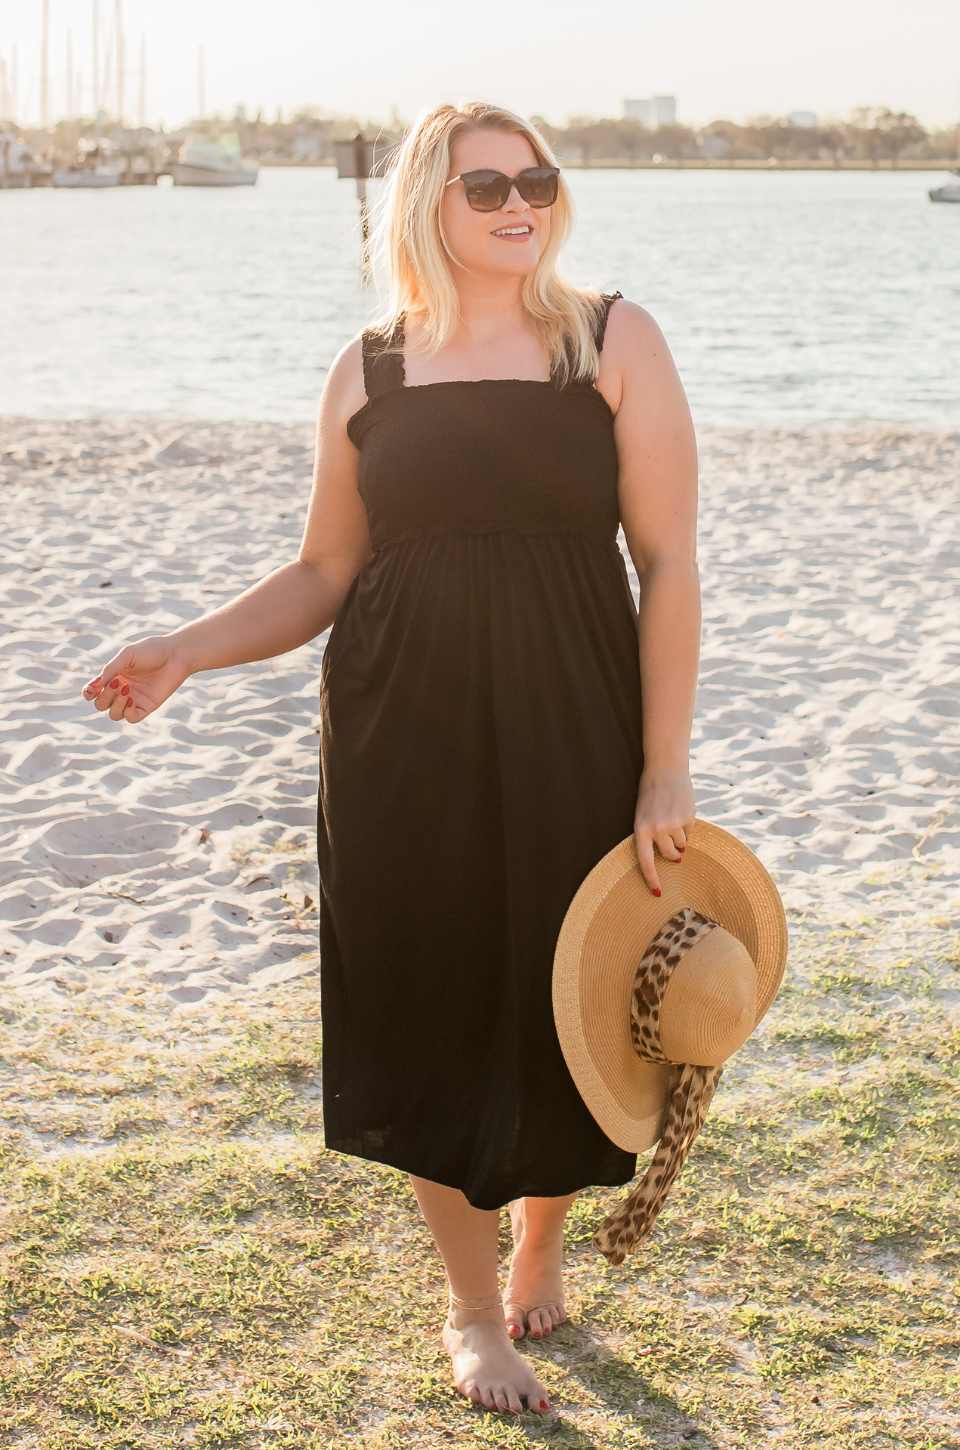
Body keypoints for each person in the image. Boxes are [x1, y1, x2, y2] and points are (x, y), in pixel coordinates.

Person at [81, 100, 700, 1418]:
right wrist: (185, 647)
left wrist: (665, 764)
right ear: (429, 201)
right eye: (488, 186)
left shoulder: (612, 339)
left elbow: (669, 563)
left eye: (537, 179)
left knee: (573, 988)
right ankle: (471, 1307)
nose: (521, 202)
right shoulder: (370, 369)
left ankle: (539, 1247)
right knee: (430, 995)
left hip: (577, 721)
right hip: (399, 734)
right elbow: (323, 571)